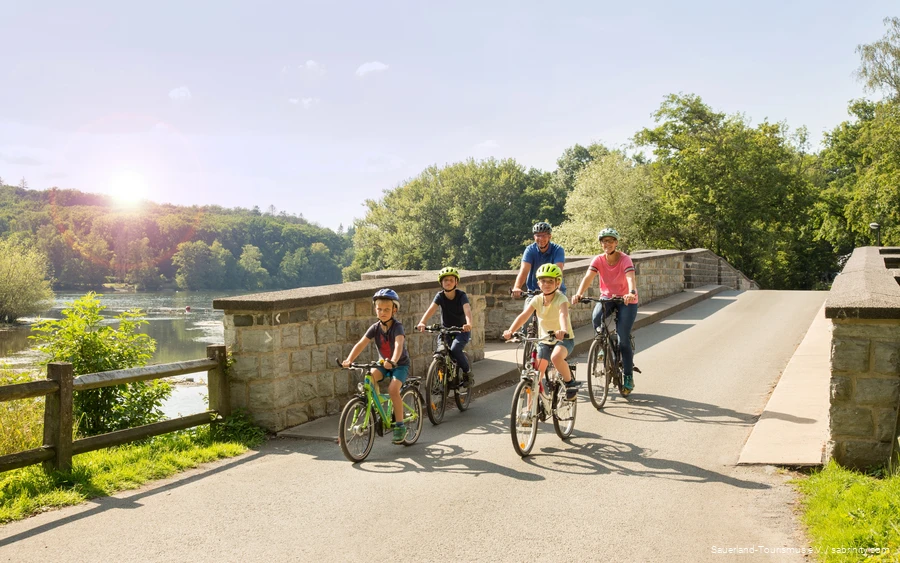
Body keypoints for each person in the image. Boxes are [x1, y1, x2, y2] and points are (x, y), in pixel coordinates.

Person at [571, 227, 639, 396]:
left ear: (616, 243)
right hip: (607, 298)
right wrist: (579, 293)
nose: (606, 244)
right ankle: (602, 344)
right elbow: (588, 277)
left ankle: (628, 377)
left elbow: (630, 277)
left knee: (623, 341)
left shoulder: (625, 259)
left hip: (626, 301)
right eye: (604, 241)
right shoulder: (599, 260)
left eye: (610, 241)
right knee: (596, 317)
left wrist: (631, 293)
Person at [342, 288, 411, 444]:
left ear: (395, 309)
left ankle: (400, 425)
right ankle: (376, 408)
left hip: (399, 364)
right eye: (379, 309)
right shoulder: (375, 328)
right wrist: (349, 359)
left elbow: (398, 344)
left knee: (393, 390)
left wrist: (393, 360)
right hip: (382, 363)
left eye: (387, 309)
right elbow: (361, 343)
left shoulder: (397, 327)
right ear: (375, 309)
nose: (383, 312)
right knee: (369, 379)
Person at [502, 263, 579, 400]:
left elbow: (563, 314)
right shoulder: (537, 299)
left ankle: (569, 383)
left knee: (556, 357)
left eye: (550, 281)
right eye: (543, 281)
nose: (547, 284)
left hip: (563, 339)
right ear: (538, 283)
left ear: (558, 282)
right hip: (544, 341)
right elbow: (524, 316)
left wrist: (563, 330)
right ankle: (529, 413)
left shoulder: (561, 298)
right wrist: (510, 330)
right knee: (535, 377)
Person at [416, 267, 475, 386]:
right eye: (445, 280)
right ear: (441, 283)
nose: (448, 282)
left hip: (461, 330)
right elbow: (431, 310)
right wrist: (422, 322)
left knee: (455, 349)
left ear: (456, 282)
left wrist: (468, 324)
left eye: (451, 280)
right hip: (446, 330)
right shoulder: (440, 296)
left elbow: (467, 311)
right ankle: (440, 380)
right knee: (440, 351)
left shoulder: (461, 295)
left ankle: (467, 373)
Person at [511, 221, 566, 298]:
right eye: (538, 235)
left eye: (544, 236)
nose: (541, 238)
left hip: (554, 291)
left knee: (559, 308)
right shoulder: (530, 250)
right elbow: (524, 270)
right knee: (528, 309)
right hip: (534, 292)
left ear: (550, 236)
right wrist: (517, 287)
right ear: (534, 237)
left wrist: (557, 288)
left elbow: (558, 271)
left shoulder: (557, 250)